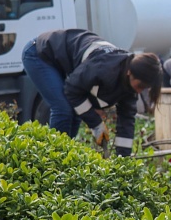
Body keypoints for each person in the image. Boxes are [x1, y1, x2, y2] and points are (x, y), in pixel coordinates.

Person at [22, 29, 162, 157]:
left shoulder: (129, 87)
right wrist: (96, 125)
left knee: (75, 113)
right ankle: (53, 160)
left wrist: (123, 160)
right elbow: (72, 91)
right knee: (63, 109)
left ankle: (64, 158)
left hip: (63, 62)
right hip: (39, 53)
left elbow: (126, 122)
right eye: (140, 85)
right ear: (129, 72)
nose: (139, 91)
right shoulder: (104, 68)